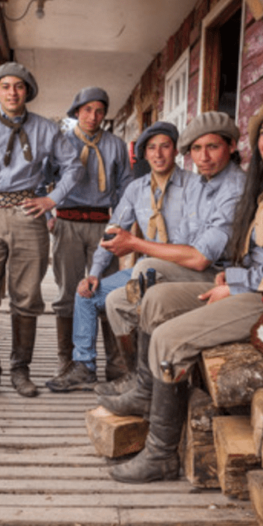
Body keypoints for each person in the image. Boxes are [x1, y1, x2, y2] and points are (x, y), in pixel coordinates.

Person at [107, 97, 263, 484]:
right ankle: (147, 388)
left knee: (166, 337)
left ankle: (161, 454)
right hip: (248, 284)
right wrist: (230, 275)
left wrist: (234, 283)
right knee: (156, 296)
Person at [91, 112, 246, 403]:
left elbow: (200, 258)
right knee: (115, 301)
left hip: (222, 275)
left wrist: (136, 243)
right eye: (197, 149)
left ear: (232, 146)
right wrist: (97, 268)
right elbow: (120, 227)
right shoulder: (202, 184)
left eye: (212, 147)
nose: (203, 157)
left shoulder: (233, 188)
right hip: (195, 267)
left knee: (147, 268)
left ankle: (147, 389)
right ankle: (138, 377)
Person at [0, 62, 84, 399]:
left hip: (29, 215)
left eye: (18, 86)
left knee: (27, 297)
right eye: (5, 87)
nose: (12, 92)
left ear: (27, 91)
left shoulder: (47, 129)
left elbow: (73, 167)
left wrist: (52, 199)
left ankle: (20, 371)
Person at [45, 121, 195, 393]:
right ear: (144, 155)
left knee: (140, 288)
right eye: (152, 148)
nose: (158, 154)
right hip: (146, 271)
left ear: (176, 152)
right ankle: (84, 367)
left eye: (165, 147)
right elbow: (113, 232)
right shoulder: (136, 189)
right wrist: (94, 273)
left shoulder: (194, 187)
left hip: (182, 270)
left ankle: (131, 372)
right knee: (86, 294)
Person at [46, 87, 133, 386]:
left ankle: (116, 365)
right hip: (67, 223)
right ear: (76, 112)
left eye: (99, 111)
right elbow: (42, 180)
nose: (93, 116)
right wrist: (49, 217)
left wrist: (121, 225)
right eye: (86, 110)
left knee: (105, 293)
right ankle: (68, 361)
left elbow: (125, 187)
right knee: (68, 294)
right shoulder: (60, 142)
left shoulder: (116, 145)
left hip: (103, 225)